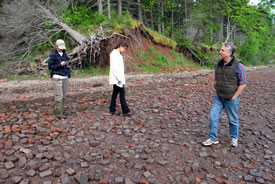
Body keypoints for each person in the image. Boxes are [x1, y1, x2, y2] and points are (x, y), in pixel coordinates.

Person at [202, 42, 247, 147]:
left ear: (229, 53)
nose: (220, 52)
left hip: (231, 98)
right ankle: (213, 138)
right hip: (219, 96)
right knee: (213, 117)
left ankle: (234, 137)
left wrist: (234, 97)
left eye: (222, 50)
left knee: (233, 119)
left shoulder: (239, 65)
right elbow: (216, 77)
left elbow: (243, 83)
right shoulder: (219, 64)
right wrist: (216, 87)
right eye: (221, 49)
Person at [109, 42, 133, 117]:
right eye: (124, 48)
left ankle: (112, 109)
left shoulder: (118, 53)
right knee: (122, 93)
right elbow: (115, 67)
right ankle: (125, 111)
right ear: (120, 46)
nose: (124, 50)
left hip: (118, 78)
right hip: (117, 79)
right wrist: (119, 79)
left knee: (115, 94)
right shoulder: (114, 53)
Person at [48, 39, 71, 119]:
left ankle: (61, 110)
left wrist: (68, 73)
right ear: (56, 46)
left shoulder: (64, 54)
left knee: (64, 96)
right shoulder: (52, 55)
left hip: (65, 77)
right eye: (60, 47)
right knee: (59, 96)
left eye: (62, 47)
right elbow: (50, 67)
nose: (61, 49)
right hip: (57, 77)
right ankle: (59, 114)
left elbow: (67, 64)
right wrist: (60, 64)